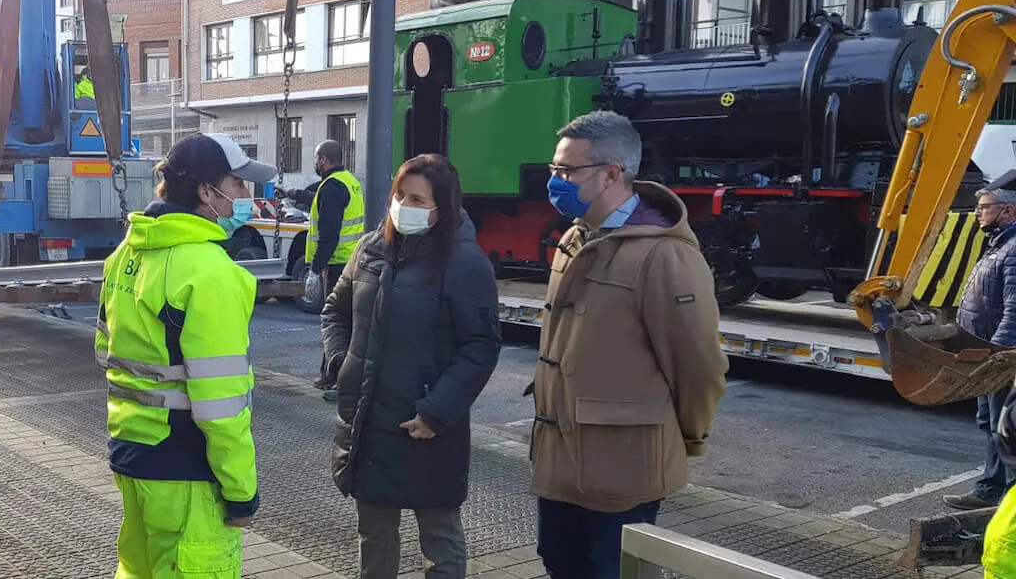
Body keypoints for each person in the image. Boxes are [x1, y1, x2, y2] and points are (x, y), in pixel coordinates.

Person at [528, 111, 728, 578]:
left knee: (613, 572)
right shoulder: (575, 238)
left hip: (623, 465)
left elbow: (698, 366)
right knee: (560, 562)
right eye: (554, 170)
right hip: (561, 460)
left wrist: (688, 440)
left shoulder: (665, 254)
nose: (555, 181)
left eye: (567, 171)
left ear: (611, 174)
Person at [95, 131, 276, 577]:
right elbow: (221, 404)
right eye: (237, 185)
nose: (245, 196)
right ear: (206, 192)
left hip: (132, 452)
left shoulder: (125, 255)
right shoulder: (211, 272)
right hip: (188, 469)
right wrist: (240, 491)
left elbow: (106, 350)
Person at [321, 153, 501, 579]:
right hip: (368, 419)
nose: (405, 206)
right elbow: (336, 311)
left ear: (445, 208)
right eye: (400, 195)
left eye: (419, 200)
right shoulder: (369, 250)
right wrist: (339, 361)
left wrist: (435, 413)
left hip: (425, 426)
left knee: (439, 537)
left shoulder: (465, 262)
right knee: (374, 535)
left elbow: (480, 346)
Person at [943, 177, 1016, 512]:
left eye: (984, 207)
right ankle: (990, 489)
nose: (977, 213)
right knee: (989, 423)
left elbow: (1014, 309)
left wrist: (998, 354)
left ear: (1008, 210)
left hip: (997, 355)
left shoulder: (1013, 248)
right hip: (984, 350)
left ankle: (1003, 499)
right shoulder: (999, 244)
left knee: (1004, 428)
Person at [297, 140, 365, 397]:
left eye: (316, 158)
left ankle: (338, 379)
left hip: (337, 265)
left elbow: (329, 233)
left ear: (323, 159)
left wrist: (316, 268)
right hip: (351, 261)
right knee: (341, 321)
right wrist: (293, 194)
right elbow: (315, 197)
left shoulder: (332, 187)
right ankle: (329, 374)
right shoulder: (348, 181)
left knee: (336, 323)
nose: (315, 163)